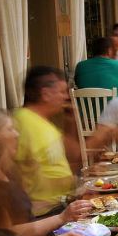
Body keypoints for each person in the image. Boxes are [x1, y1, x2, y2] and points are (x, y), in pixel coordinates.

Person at [13, 67, 76, 216]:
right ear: (46, 94)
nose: (66, 97)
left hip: (62, 205)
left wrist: (70, 123)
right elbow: (14, 172)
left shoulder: (44, 122)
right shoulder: (23, 122)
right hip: (45, 213)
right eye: (62, 92)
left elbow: (74, 155)